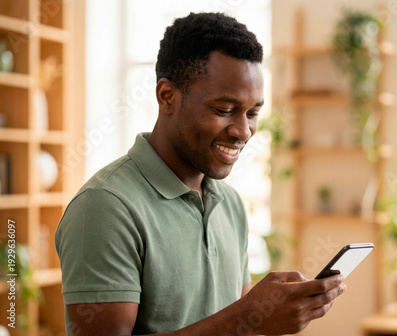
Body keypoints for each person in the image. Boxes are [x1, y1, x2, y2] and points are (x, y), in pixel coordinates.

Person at [55, 12, 346, 336]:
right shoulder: (105, 208)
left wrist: (269, 313)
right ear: (167, 97)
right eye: (224, 110)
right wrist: (246, 320)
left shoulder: (230, 204)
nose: (244, 131)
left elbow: (235, 321)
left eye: (253, 113)